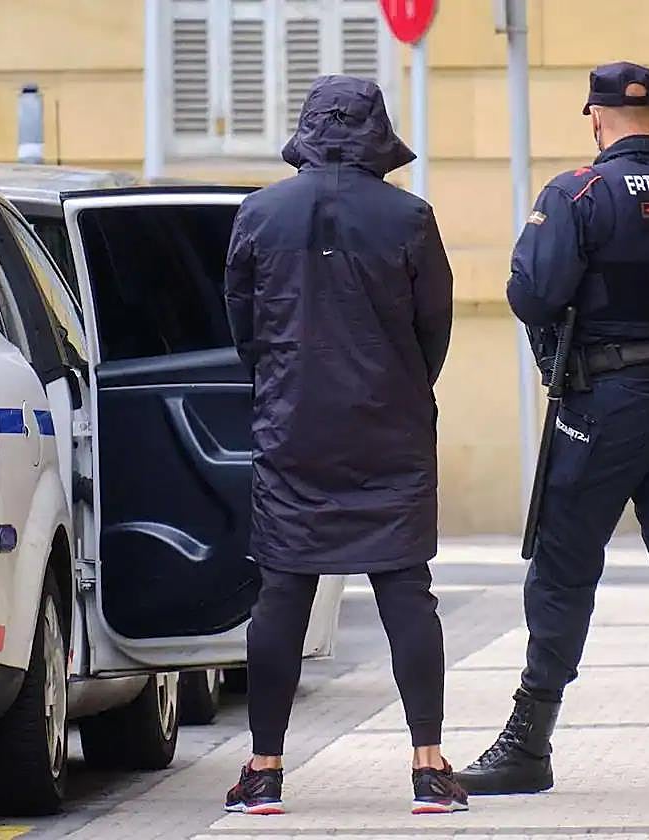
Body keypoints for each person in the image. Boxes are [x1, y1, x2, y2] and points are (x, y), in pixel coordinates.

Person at [456, 62, 649, 797]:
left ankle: (530, 743)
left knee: (563, 565)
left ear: (596, 116)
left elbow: (532, 295)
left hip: (605, 401)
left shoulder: (577, 194)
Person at [221, 75, 465, 816]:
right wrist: (399, 383)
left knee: (283, 592)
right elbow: (435, 330)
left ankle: (263, 771)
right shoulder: (410, 217)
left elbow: (244, 331)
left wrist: (282, 385)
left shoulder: (258, 214)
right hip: (389, 427)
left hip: (293, 427)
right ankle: (428, 769)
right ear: (376, 131)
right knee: (405, 591)